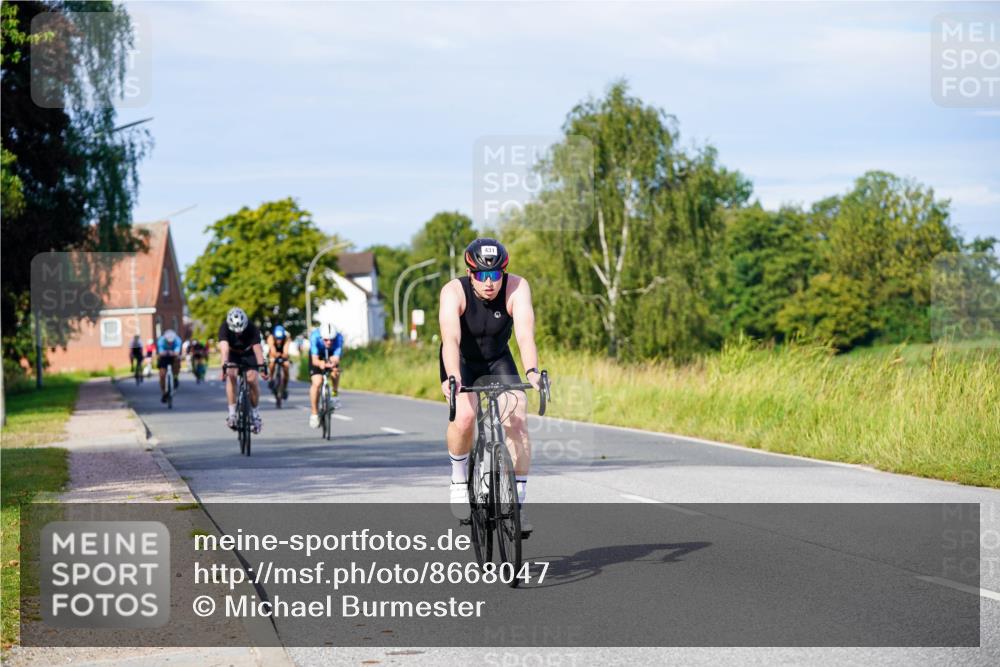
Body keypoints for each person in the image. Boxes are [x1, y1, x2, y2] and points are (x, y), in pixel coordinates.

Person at [438, 238, 541, 536]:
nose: (489, 283)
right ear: (470, 273)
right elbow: (451, 339)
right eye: (482, 275)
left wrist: (532, 370)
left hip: (497, 358)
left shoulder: (517, 287)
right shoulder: (453, 291)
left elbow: (524, 334)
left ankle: (518, 507)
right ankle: (459, 479)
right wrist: (454, 376)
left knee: (517, 418)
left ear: (503, 273)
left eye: (495, 275)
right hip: (461, 360)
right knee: (466, 416)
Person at [218, 307, 268, 433]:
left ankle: (255, 414)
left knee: (252, 378)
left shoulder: (252, 328)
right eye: (236, 331)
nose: (238, 333)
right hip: (233, 354)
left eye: (241, 330)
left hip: (248, 353)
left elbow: (257, 349)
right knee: (231, 374)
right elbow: (224, 350)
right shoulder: (224, 328)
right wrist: (224, 367)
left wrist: (262, 368)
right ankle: (232, 414)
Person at [308, 321, 343, 429]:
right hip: (317, 355)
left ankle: (335, 394)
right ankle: (314, 414)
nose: (329, 342)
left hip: (331, 355)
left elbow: (337, 357)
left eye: (331, 340)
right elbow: (314, 360)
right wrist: (320, 363)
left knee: (335, 372)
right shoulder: (314, 336)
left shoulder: (339, 338)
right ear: (321, 337)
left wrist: (332, 363)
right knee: (317, 382)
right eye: (326, 340)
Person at [156, 329, 182, 403]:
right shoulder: (161, 340)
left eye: (171, 342)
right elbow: (161, 353)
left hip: (173, 357)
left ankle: (175, 377)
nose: (170, 343)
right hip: (164, 357)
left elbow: (177, 352)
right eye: (168, 342)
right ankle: (164, 393)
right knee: (162, 374)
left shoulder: (177, 340)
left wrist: (172, 353)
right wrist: (167, 352)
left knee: (177, 361)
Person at [266, 325, 291, 400]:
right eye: (277, 339)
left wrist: (284, 356)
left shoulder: (287, 338)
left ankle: (285, 387)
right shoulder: (270, 338)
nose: (279, 341)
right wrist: (275, 355)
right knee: (272, 363)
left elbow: (286, 351)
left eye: (280, 339)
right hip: (273, 353)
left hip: (283, 353)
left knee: (286, 366)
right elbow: (272, 349)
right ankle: (271, 378)